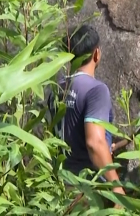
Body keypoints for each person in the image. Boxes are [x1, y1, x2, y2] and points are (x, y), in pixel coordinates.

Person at [50, 24, 125, 199]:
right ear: (96, 53)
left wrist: (108, 145)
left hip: (60, 185)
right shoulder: (96, 90)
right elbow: (94, 143)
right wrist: (116, 187)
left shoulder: (57, 87)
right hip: (86, 189)